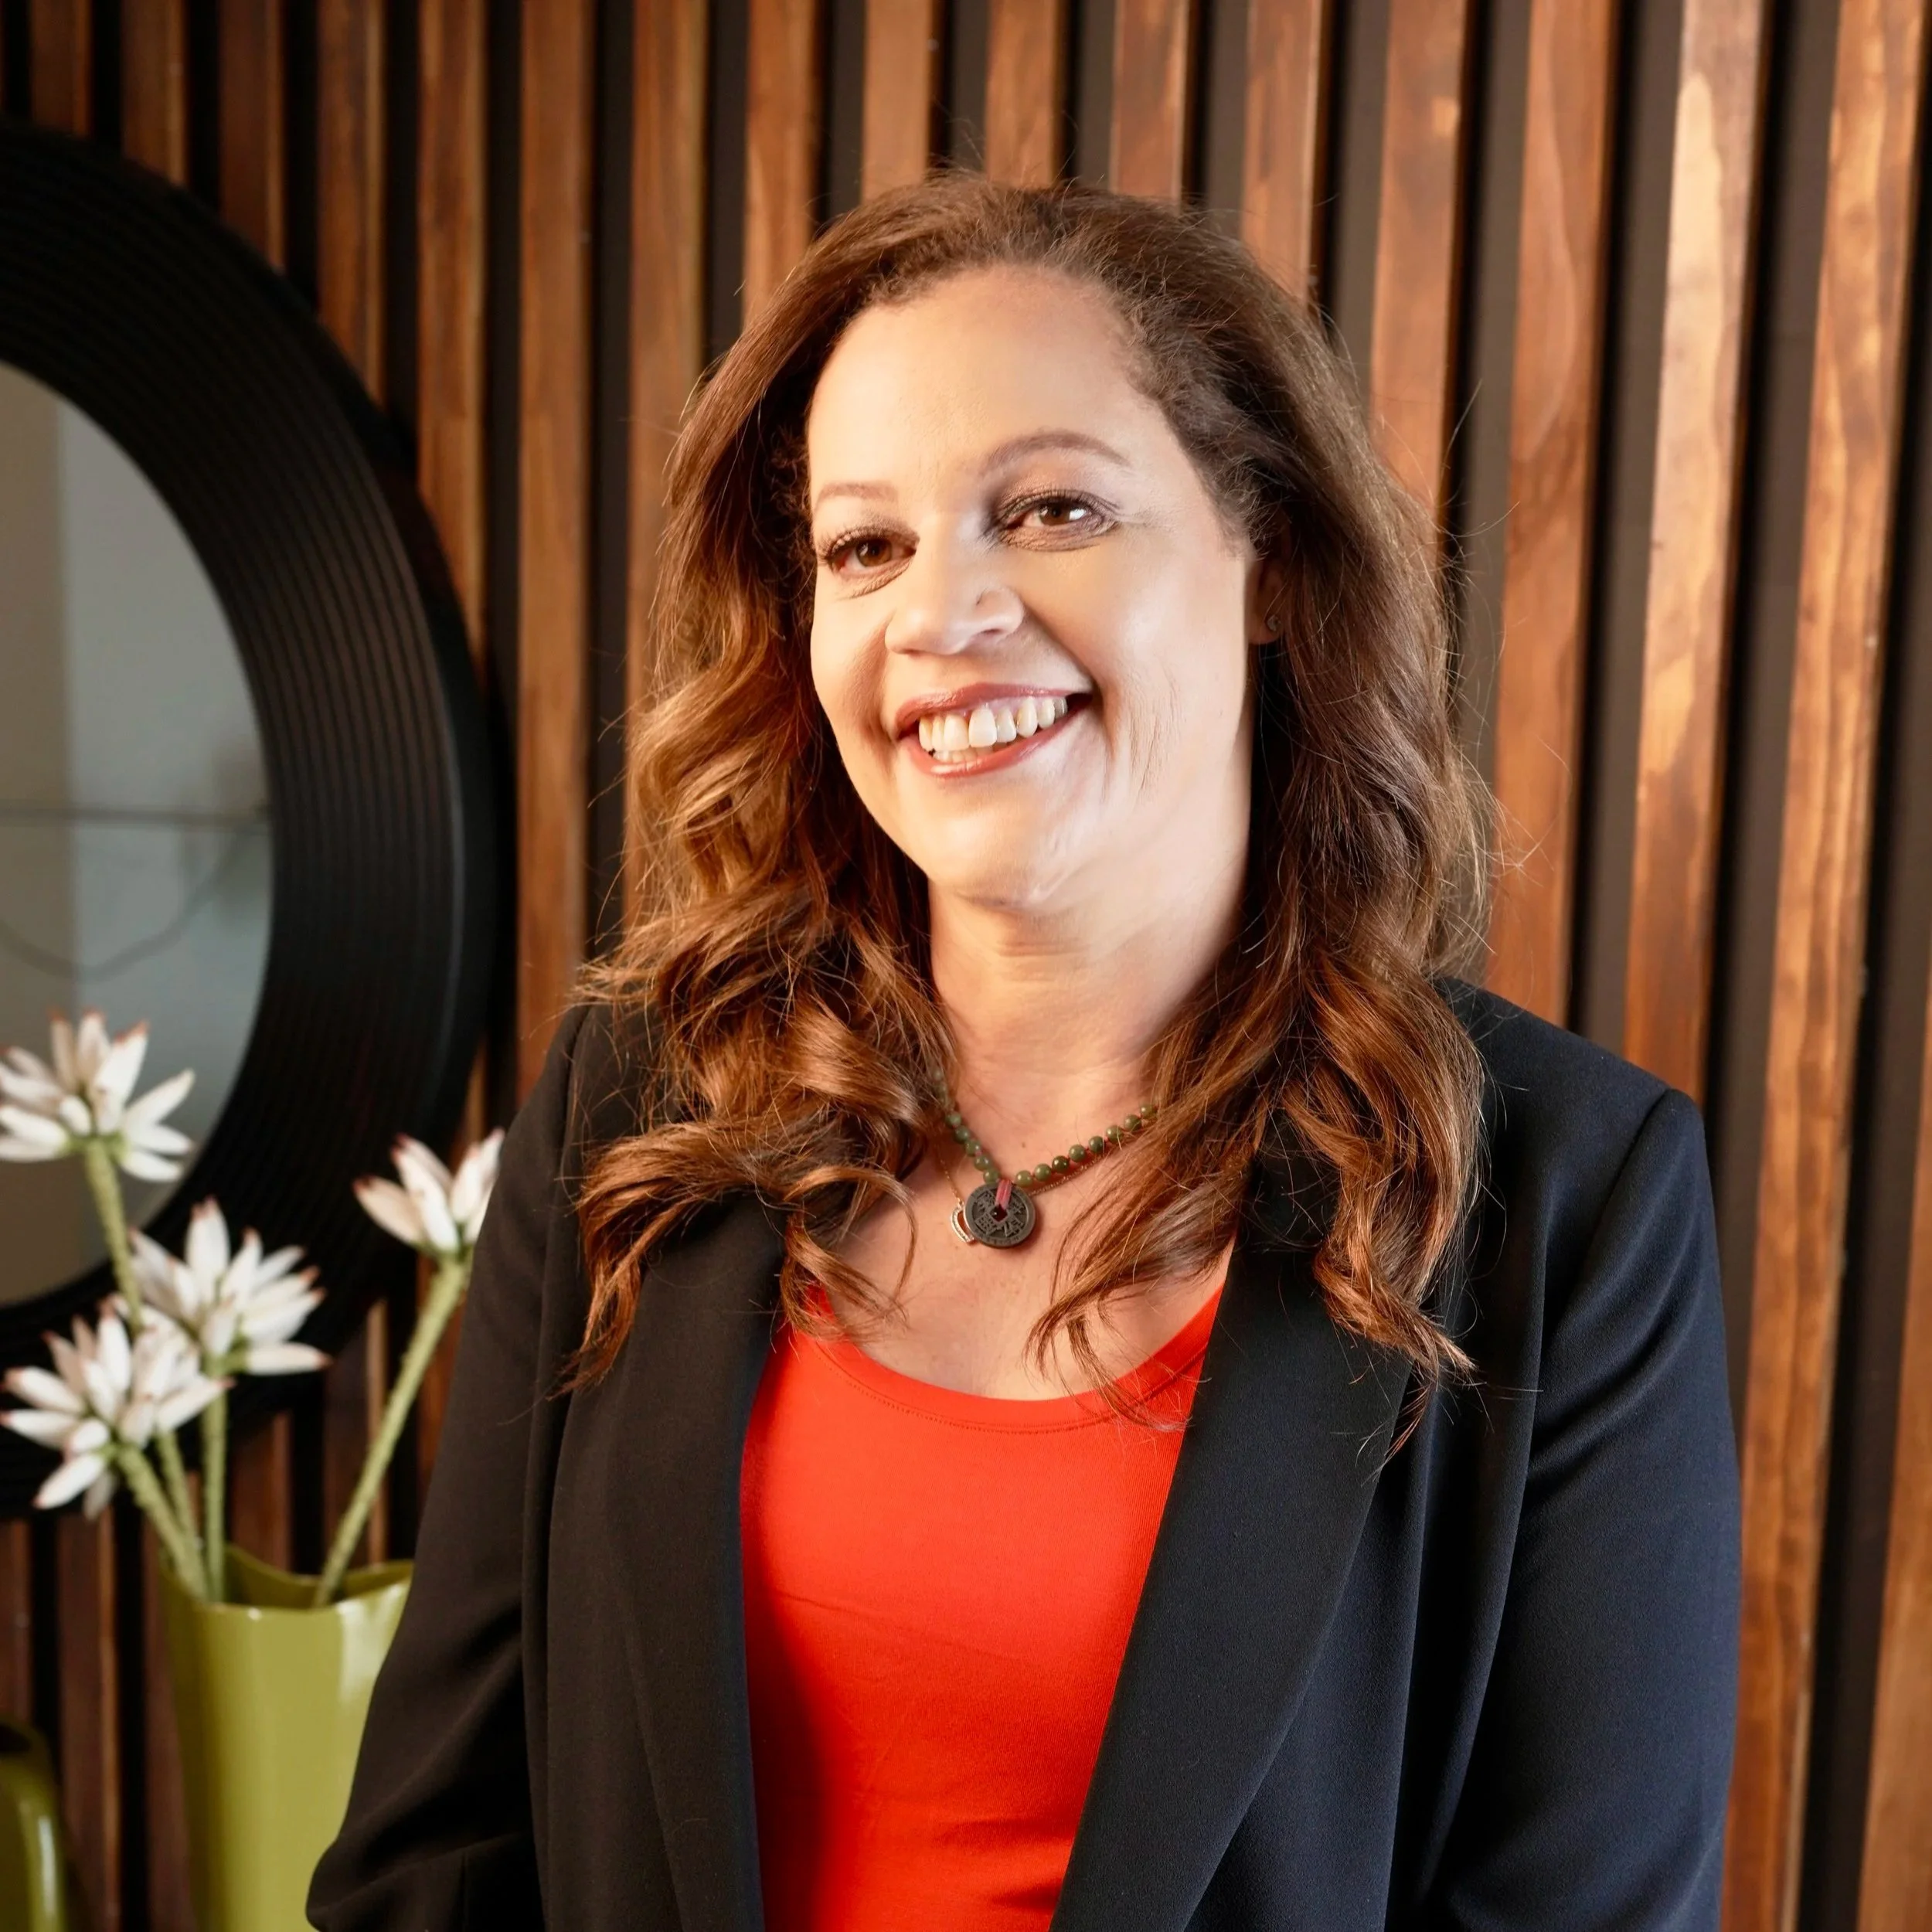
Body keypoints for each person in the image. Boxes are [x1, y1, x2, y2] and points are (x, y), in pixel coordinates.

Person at [308, 175, 1740, 1932]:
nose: (937, 616)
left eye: (1048, 507)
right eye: (863, 544)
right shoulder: (634, 1109)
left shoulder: (1562, 1203)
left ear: (1267, 556)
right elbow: (430, 1862)